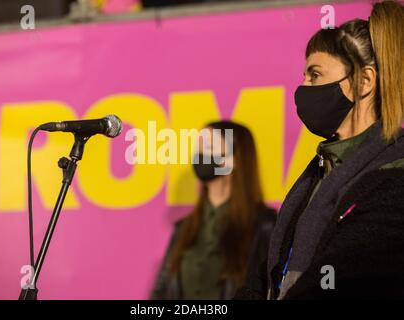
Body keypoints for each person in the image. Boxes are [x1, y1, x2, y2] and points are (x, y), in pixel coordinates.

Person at [264, 0, 404, 299]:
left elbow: (341, 280)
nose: (303, 86)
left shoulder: (394, 174)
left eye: (315, 75)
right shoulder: (319, 172)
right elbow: (264, 279)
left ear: (364, 81)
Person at [151, 120, 276, 299]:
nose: (200, 155)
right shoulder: (184, 228)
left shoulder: (264, 226)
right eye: (198, 148)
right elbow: (160, 292)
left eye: (209, 147)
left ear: (234, 159)